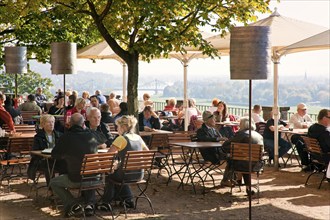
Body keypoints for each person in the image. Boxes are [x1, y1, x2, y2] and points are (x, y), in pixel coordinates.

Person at [49, 113, 106, 217]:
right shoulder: (91, 135)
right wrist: (86, 129)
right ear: (83, 124)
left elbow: (54, 155)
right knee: (88, 173)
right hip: (96, 178)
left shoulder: (65, 137)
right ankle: (89, 204)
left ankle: (73, 204)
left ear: (69, 124)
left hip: (76, 179)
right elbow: (103, 138)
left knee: (53, 182)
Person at [98, 115, 149, 210]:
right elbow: (147, 152)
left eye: (118, 126)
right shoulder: (138, 137)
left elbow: (109, 155)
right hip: (139, 174)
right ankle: (127, 199)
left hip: (125, 174)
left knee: (110, 174)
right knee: (119, 173)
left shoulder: (121, 139)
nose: (117, 129)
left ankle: (106, 202)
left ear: (124, 127)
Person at [220, 117, 264, 194]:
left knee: (233, 158)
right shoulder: (259, 135)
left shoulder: (241, 134)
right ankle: (246, 186)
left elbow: (226, 146)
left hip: (241, 164)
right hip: (256, 165)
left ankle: (226, 180)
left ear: (242, 125)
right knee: (245, 160)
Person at [27, 115, 64, 186]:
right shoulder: (38, 137)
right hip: (42, 161)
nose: (51, 124)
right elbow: (34, 153)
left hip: (57, 160)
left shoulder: (59, 135)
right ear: (43, 124)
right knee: (48, 167)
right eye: (49, 122)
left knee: (65, 164)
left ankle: (62, 186)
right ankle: (51, 188)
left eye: (53, 122)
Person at [289, 103, 314, 171]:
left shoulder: (307, 116)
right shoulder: (294, 116)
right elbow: (300, 125)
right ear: (298, 110)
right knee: (300, 144)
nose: (304, 111)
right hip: (294, 135)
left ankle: (312, 163)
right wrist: (306, 124)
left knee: (312, 142)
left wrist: (306, 124)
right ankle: (305, 163)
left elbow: (312, 124)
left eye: (305, 109)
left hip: (304, 134)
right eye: (303, 110)